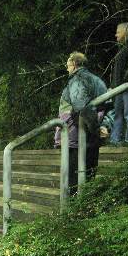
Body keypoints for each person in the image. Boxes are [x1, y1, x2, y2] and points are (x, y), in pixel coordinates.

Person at [54, 51, 107, 195]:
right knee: (89, 177)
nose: (67, 69)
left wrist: (95, 128)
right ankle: (86, 210)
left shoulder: (76, 81)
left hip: (76, 136)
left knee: (73, 180)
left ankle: (72, 214)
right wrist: (103, 126)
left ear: (75, 65)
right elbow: (108, 105)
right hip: (90, 136)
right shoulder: (97, 80)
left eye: (68, 65)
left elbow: (81, 107)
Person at [110, 22, 128, 146]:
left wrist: (125, 81)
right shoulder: (122, 48)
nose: (116, 35)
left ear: (125, 32)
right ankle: (115, 140)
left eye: (118, 32)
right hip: (119, 88)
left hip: (127, 86)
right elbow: (117, 70)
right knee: (118, 114)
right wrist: (113, 86)